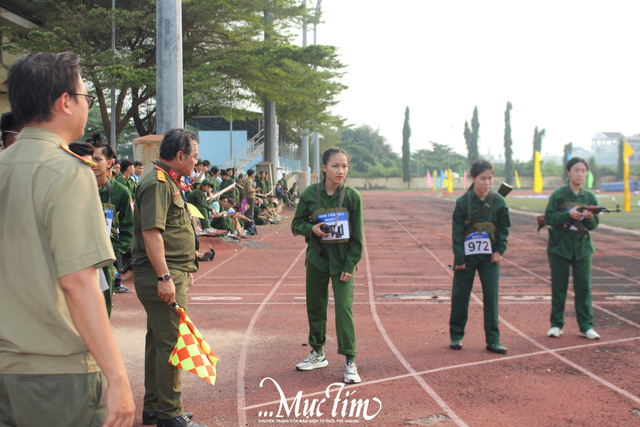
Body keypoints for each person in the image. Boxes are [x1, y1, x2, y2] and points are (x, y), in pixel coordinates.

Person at [0, 51, 134, 426]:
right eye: (85, 97)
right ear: (65, 103)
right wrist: (118, 377)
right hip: (55, 374)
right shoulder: (69, 172)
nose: (87, 106)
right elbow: (78, 283)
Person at [131, 128, 206, 427]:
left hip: (169, 271)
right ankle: (170, 414)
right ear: (180, 156)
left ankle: (155, 407)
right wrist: (164, 276)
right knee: (171, 343)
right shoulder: (158, 183)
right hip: (161, 274)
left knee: (157, 341)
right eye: (195, 158)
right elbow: (152, 233)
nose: (196, 164)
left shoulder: (167, 181)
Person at [292, 147, 364, 384]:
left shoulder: (352, 197)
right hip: (317, 259)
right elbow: (297, 223)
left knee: (344, 310)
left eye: (344, 166)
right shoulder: (311, 194)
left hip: (343, 261)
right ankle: (318, 352)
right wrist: (310, 228)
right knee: (315, 306)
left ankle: (350, 361)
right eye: (335, 166)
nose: (340, 170)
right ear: (324, 168)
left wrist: (350, 264)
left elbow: (357, 237)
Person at [449, 160, 511, 355]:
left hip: (490, 257)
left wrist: (500, 251)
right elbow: (457, 233)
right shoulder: (463, 202)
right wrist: (460, 259)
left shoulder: (499, 201)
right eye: (483, 178)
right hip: (467, 258)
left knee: (491, 298)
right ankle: (456, 335)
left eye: (490, 178)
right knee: (461, 295)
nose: (487, 182)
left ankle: (493, 340)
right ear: (473, 178)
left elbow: (504, 228)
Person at [544, 157, 601, 340]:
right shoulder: (559, 195)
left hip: (583, 248)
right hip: (559, 247)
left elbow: (594, 226)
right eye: (576, 170)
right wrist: (568, 214)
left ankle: (586, 326)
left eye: (583, 170)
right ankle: (556, 325)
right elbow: (549, 218)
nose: (580, 174)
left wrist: (590, 217)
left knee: (583, 288)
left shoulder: (589, 197)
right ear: (568, 173)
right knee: (559, 287)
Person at [91, 142, 135, 298]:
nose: (92, 163)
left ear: (109, 163)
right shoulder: (74, 188)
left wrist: (113, 252)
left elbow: (128, 228)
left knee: (103, 306)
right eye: (89, 158)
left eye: (97, 159)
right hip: (80, 260)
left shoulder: (120, 192)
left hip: (106, 260)